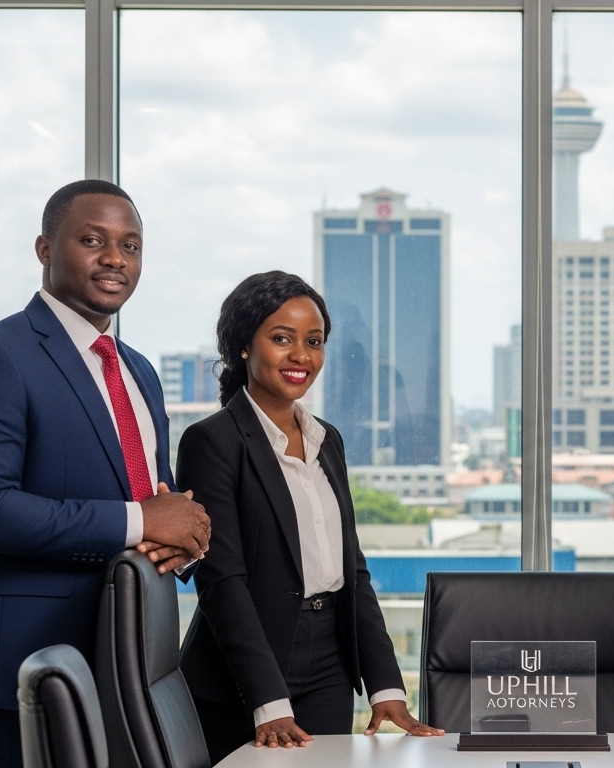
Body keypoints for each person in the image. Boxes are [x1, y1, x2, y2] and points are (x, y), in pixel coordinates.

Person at [0, 180, 211, 768]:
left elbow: (157, 499)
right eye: (92, 240)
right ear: (44, 249)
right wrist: (141, 521)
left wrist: (184, 537)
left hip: (134, 658)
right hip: (29, 658)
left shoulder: (138, 369)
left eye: (130, 245)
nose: (115, 258)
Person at [177, 271, 441, 764]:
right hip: (243, 671)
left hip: (330, 666)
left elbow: (352, 570)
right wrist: (268, 700)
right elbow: (221, 581)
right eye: (282, 339)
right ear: (242, 345)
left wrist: (385, 685)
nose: (301, 356)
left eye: (313, 342)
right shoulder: (211, 441)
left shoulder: (327, 439)